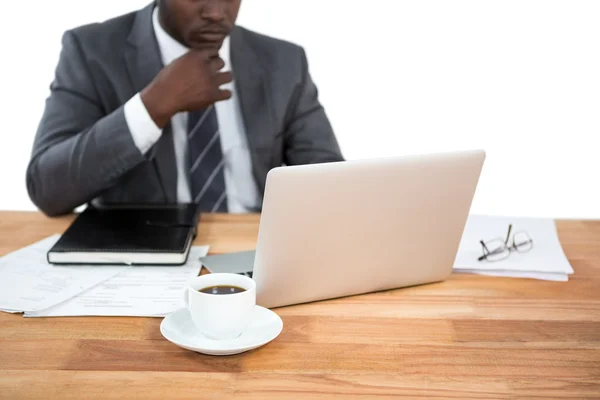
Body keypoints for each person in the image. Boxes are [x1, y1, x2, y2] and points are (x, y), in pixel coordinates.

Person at [26, 0, 344, 217]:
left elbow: (330, 185)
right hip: (139, 257)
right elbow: (47, 188)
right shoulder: (91, 51)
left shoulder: (284, 62)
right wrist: (152, 107)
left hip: (254, 251)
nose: (217, 13)